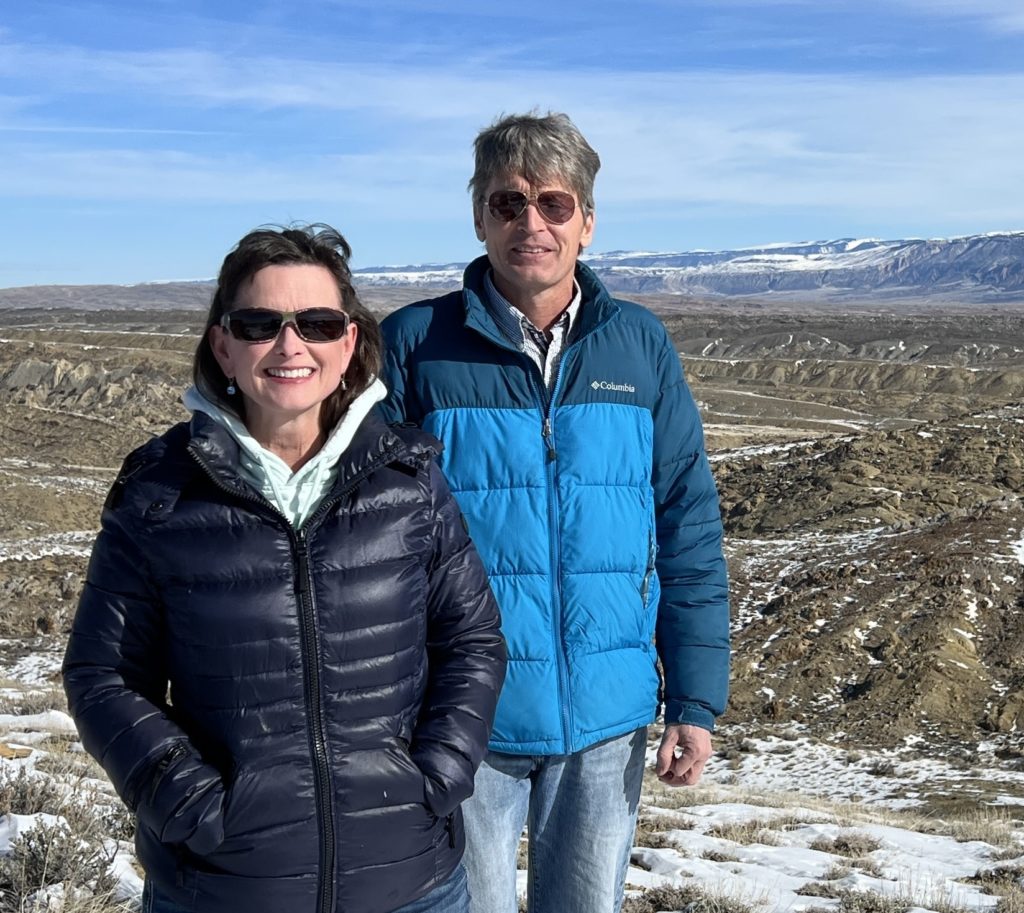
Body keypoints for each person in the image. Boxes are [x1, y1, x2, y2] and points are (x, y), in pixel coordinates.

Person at [62, 224, 507, 913]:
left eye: (319, 323)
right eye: (259, 323)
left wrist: (434, 778)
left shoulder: (409, 483)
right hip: (222, 888)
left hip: (410, 883)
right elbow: (105, 673)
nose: (290, 345)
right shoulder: (159, 496)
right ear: (223, 346)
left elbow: (471, 641)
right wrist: (190, 803)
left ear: (350, 343)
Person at [378, 112, 730, 913]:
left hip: (606, 717)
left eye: (553, 203)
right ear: (478, 217)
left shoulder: (637, 345)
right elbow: (366, 540)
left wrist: (696, 700)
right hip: (462, 715)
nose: (529, 223)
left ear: (588, 221)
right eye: (507, 203)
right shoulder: (414, 345)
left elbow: (686, 526)